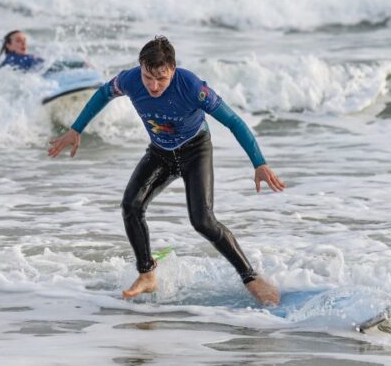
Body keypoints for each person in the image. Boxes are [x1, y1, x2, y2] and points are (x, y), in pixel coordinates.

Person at [47, 36, 285, 305]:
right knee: (131, 206)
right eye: (148, 77)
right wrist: (76, 129)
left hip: (195, 150)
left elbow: (233, 121)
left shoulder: (193, 87)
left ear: (172, 68)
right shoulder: (130, 80)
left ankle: (251, 277)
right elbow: (104, 93)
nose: (154, 85)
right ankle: (147, 274)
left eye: (161, 78)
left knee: (203, 221)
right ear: (141, 69)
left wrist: (259, 162)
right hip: (160, 152)